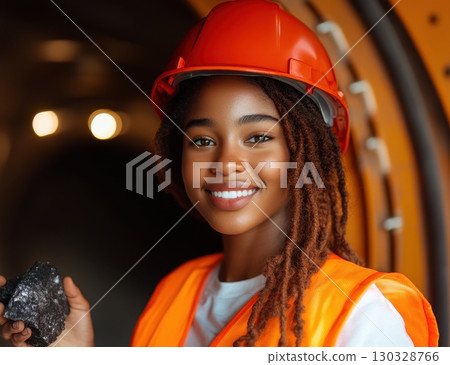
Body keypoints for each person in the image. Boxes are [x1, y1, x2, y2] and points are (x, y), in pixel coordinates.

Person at [0, 0, 438, 347]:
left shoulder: (366, 315)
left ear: (306, 155)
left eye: (258, 138)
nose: (226, 164)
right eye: (203, 141)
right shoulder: (178, 291)